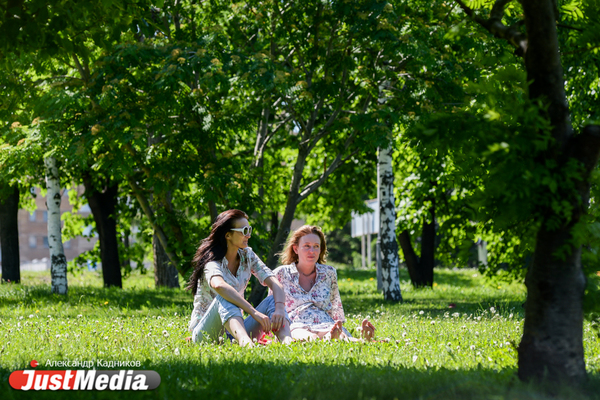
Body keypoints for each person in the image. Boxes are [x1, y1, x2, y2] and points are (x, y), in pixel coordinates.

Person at [186, 209, 292, 347]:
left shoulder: (247, 255)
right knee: (224, 295)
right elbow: (219, 285)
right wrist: (253, 312)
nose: (248, 235)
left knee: (273, 299)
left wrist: (279, 308)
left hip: (235, 329)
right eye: (244, 230)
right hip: (206, 334)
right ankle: (246, 344)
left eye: (249, 230)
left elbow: (275, 283)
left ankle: (288, 342)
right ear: (228, 235)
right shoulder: (211, 262)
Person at [271, 225, 375, 341]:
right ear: (295, 249)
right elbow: (271, 310)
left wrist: (338, 327)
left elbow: (335, 309)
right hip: (295, 325)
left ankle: (361, 340)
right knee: (309, 338)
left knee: (341, 337)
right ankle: (329, 340)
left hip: (325, 323)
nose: (312, 251)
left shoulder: (329, 273)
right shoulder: (280, 274)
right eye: (307, 246)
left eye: (316, 246)